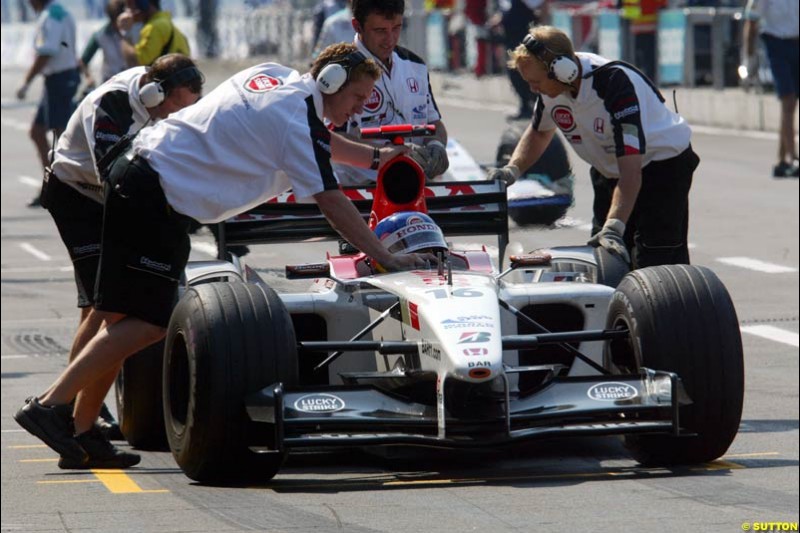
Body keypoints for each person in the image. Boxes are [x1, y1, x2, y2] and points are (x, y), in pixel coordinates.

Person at [13, 43, 435, 470]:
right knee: (147, 322)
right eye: (358, 97)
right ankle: (52, 407)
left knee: (126, 318)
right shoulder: (296, 120)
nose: (361, 108)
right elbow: (332, 201)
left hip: (148, 180)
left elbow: (320, 142)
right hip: (152, 192)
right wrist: (387, 256)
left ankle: (82, 433)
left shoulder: (281, 79)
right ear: (332, 81)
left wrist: (380, 159)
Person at [38, 54, 204, 460]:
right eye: (178, 107)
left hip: (115, 197)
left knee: (100, 310)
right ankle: (69, 419)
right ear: (153, 92)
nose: (179, 117)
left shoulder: (167, 103)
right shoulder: (112, 103)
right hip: (78, 194)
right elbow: (116, 175)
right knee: (110, 310)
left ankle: (75, 422)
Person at [488, 26, 699, 269]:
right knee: (606, 259)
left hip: (661, 167)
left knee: (654, 261)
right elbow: (539, 132)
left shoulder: (614, 84)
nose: (533, 90)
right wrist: (512, 169)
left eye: (536, 82)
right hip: (610, 170)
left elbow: (631, 170)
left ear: (561, 70)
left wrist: (615, 226)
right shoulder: (551, 89)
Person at [333, 0, 449, 185]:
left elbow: (434, 123)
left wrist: (437, 145)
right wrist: (391, 152)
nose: (390, 39)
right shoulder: (339, 69)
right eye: (380, 31)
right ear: (357, 26)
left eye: (396, 28)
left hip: (415, 186)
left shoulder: (415, 65)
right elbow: (329, 138)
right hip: (360, 192)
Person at [16, 0, 80, 207]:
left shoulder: (52, 15)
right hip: (56, 79)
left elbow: (47, 51)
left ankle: (67, 188)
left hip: (60, 78)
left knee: (60, 137)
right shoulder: (55, 12)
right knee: (37, 131)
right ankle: (52, 183)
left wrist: (26, 82)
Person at [744, 0, 799, 178]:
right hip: (777, 44)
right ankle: (793, 158)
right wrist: (749, 59)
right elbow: (752, 21)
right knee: (788, 100)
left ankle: (782, 160)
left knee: (792, 103)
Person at [488, 0, 542, 121]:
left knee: (529, 71)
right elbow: (505, 10)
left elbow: (540, 6)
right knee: (514, 72)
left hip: (525, 38)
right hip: (511, 38)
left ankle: (537, 105)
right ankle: (525, 106)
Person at [116, 0, 190, 67]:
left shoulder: (154, 27)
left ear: (143, 4)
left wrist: (125, 33)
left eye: (130, 5)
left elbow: (135, 62)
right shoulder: (163, 22)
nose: (128, 11)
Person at [78, 0, 127, 90]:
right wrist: (89, 78)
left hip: (132, 80)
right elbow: (83, 61)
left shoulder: (135, 30)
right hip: (111, 82)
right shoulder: (101, 35)